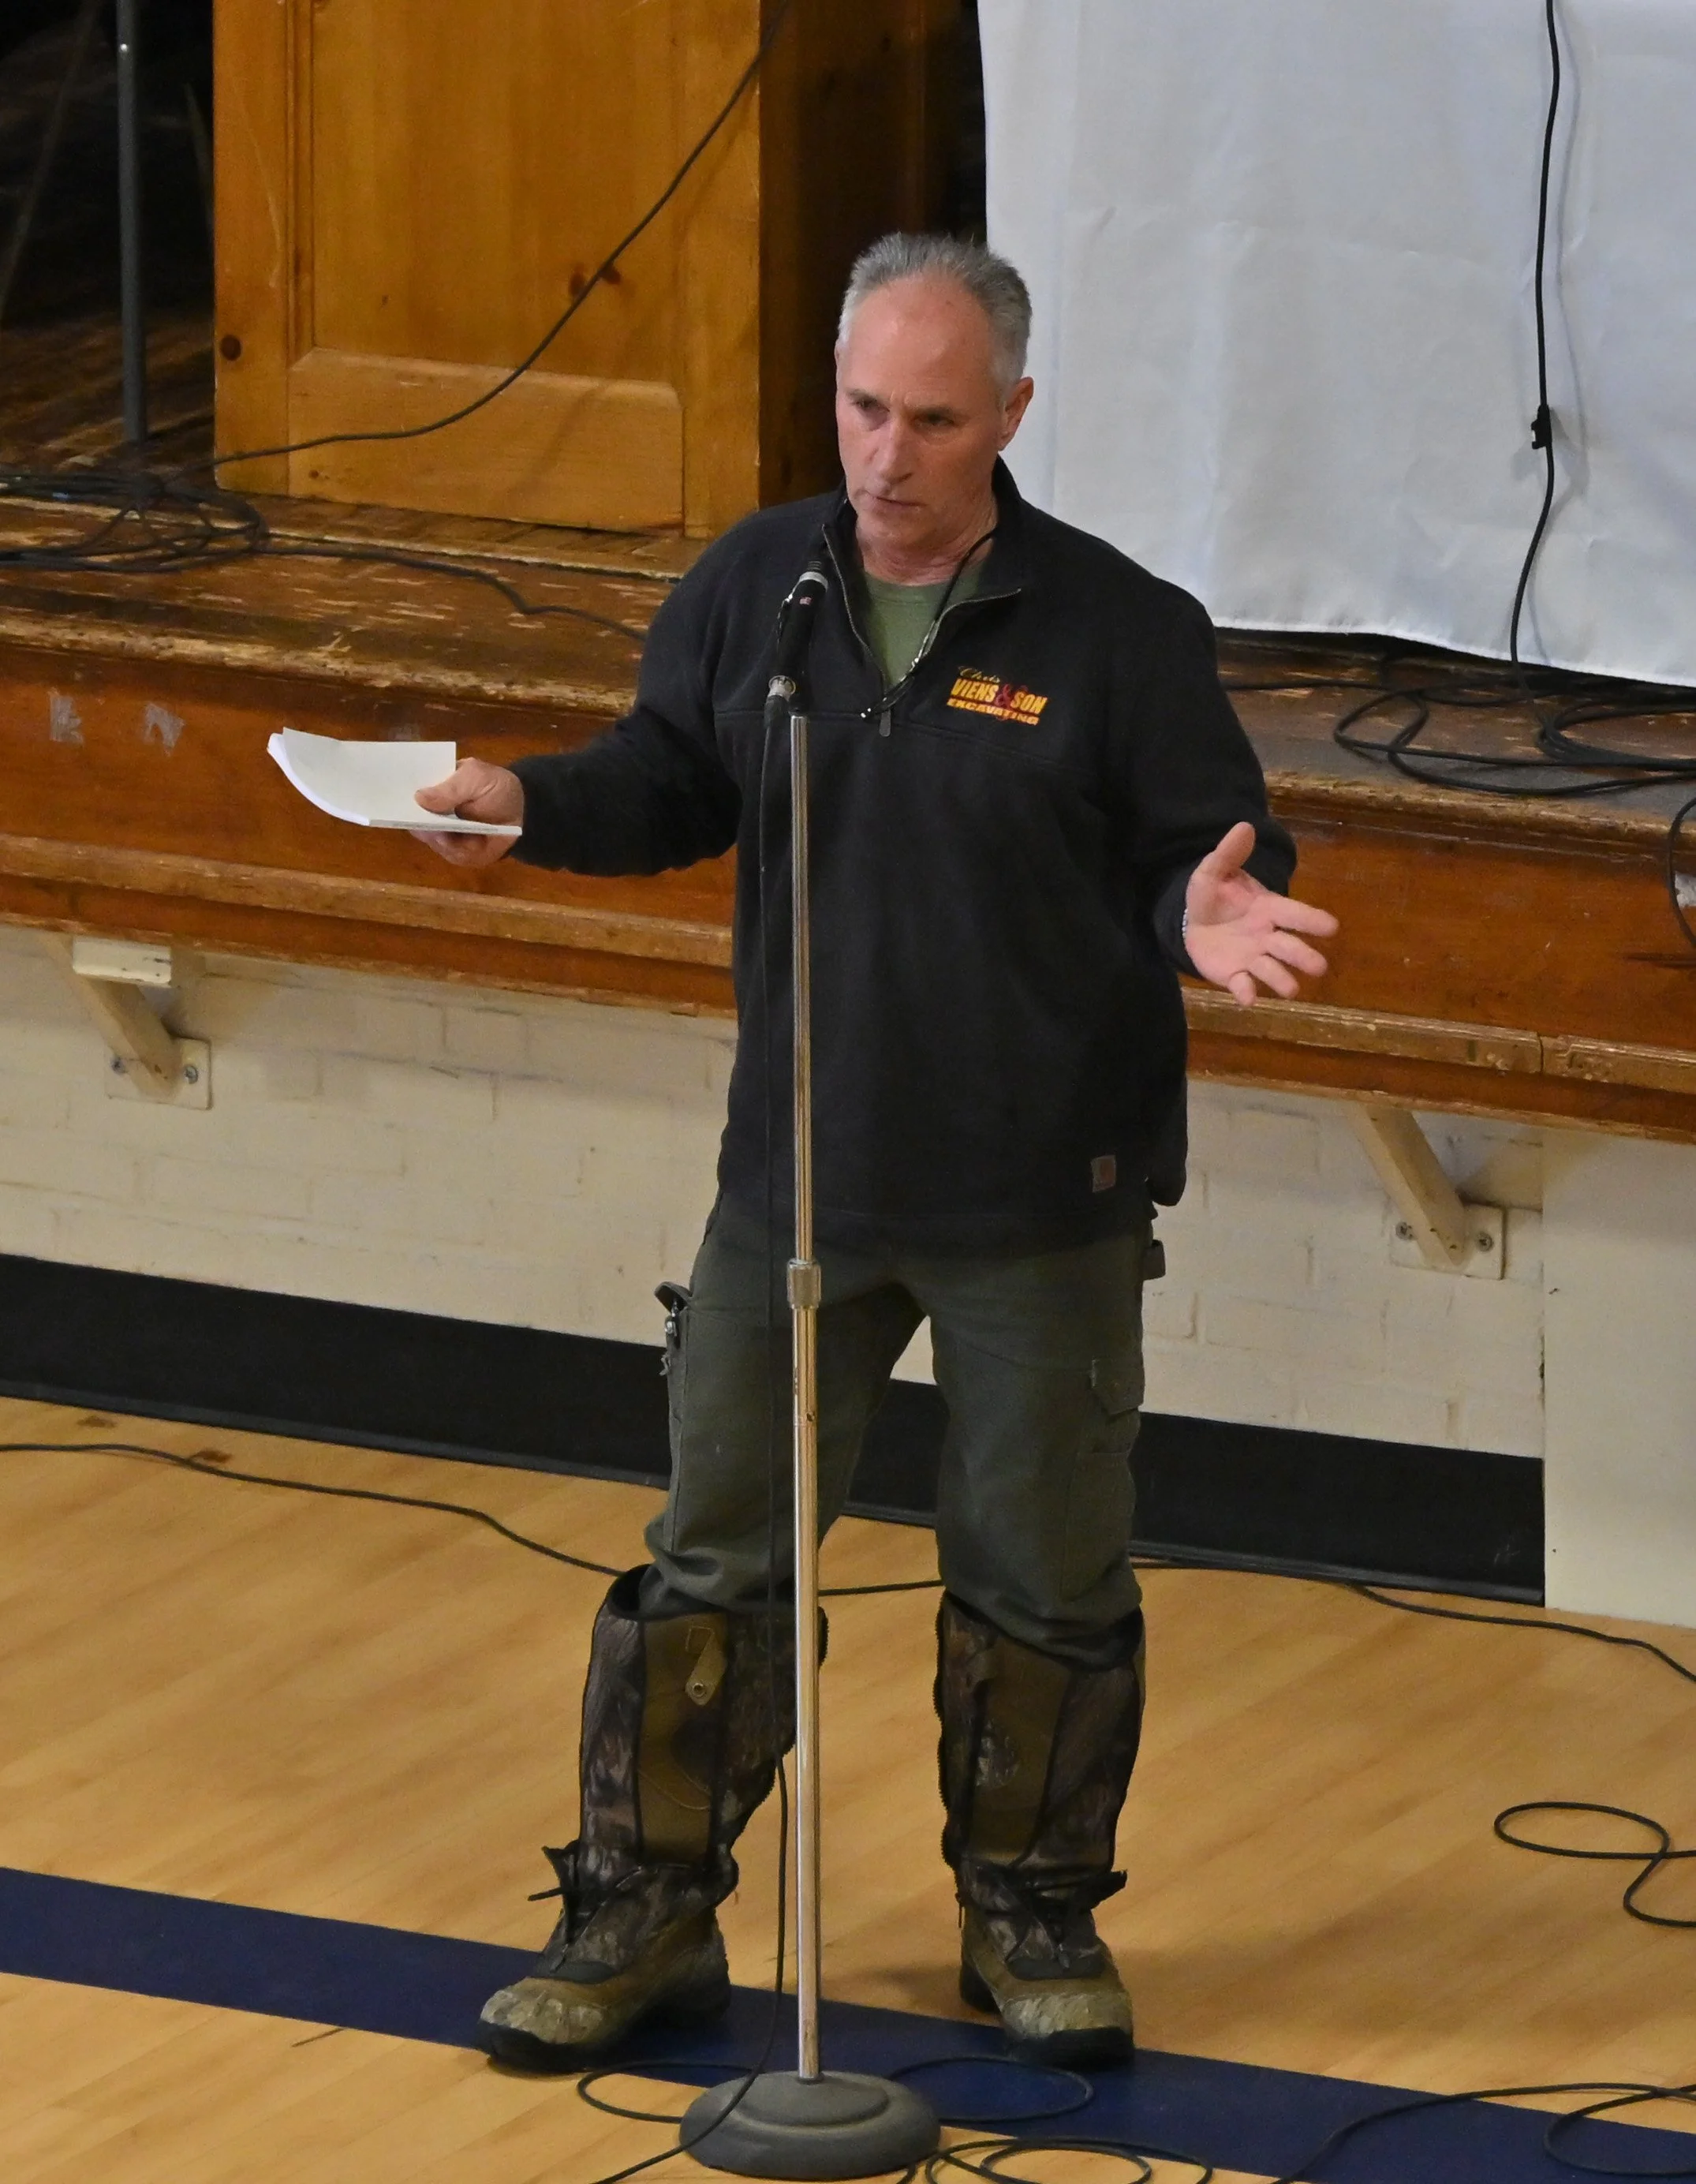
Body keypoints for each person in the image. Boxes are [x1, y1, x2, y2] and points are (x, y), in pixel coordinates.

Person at [413, 233, 1338, 2074]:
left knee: (1042, 1577)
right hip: (800, 1184)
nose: (886, 452)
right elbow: (666, 780)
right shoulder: (761, 588)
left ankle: (1029, 1917)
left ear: (1008, 412)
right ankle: (642, 1910)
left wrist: (1201, 917)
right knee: (712, 1558)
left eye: (929, 416)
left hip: (1037, 1198)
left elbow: (1207, 854)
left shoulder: (1115, 628)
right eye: (859, 407)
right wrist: (526, 805)